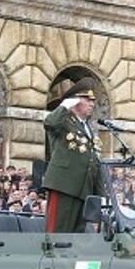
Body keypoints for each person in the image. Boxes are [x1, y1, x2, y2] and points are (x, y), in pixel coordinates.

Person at [42, 78, 104, 233]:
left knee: (76, 236)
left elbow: (94, 162)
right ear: (75, 101)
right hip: (64, 186)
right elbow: (49, 123)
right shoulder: (64, 121)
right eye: (87, 99)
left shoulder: (88, 128)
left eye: (93, 101)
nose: (92, 104)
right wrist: (65, 106)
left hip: (84, 191)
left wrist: (100, 195)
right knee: (57, 232)